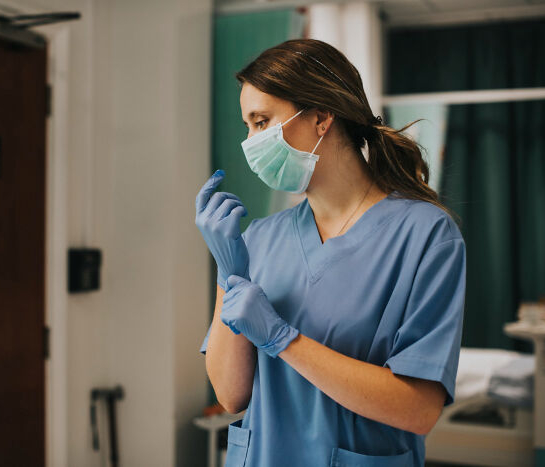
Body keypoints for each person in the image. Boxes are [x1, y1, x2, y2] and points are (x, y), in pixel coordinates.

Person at [194, 38, 466, 467]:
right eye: (246, 125)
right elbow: (231, 396)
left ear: (321, 117)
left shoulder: (425, 235)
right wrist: (229, 274)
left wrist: (283, 339)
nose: (250, 142)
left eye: (262, 122)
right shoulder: (258, 239)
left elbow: (418, 410)